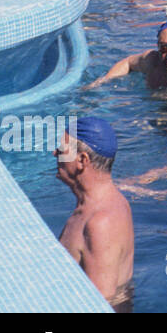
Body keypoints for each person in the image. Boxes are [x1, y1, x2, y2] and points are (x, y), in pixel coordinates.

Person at [54, 117, 134, 310]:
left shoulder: (101, 223)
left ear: (82, 160)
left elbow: (100, 303)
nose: (54, 153)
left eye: (62, 150)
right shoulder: (98, 205)